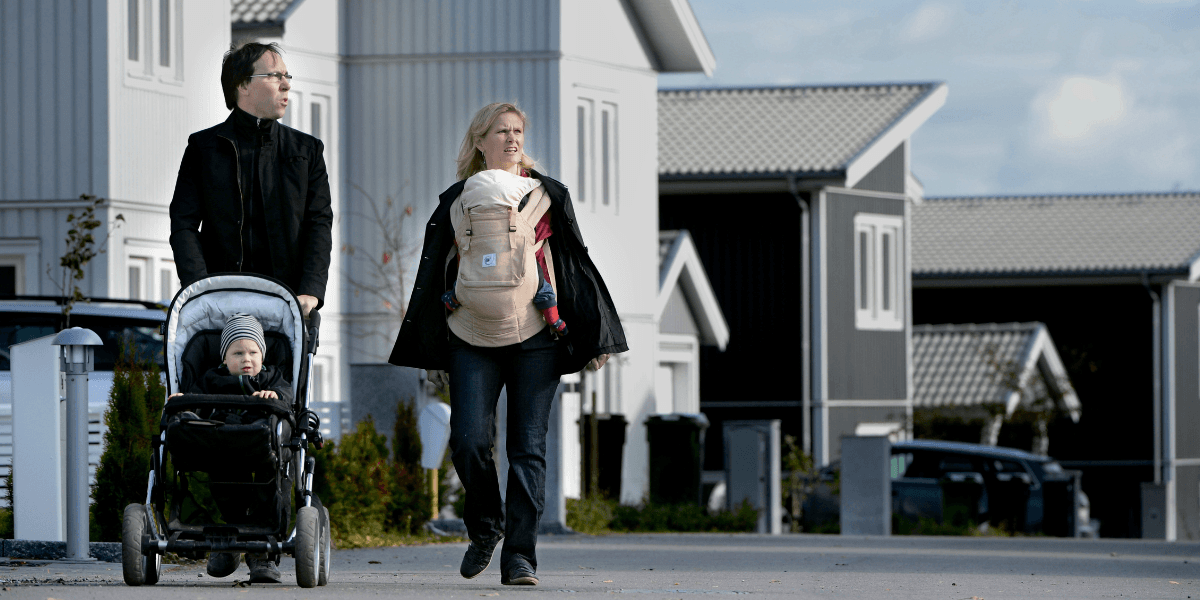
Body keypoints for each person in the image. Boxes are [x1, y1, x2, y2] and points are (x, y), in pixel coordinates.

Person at [389, 102, 627, 586]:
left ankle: (520, 556)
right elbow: (436, 271)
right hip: (469, 336)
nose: (512, 139)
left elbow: (575, 264)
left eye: (518, 131)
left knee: (527, 450)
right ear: (481, 142)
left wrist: (594, 333)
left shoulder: (546, 195)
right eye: (501, 131)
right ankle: (486, 526)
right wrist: (431, 346)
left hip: (537, 336)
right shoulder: (457, 200)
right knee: (468, 440)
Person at [169, 42, 333, 317]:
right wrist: (199, 287)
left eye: (287, 76)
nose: (286, 85)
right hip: (219, 304)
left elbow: (319, 224)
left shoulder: (307, 151)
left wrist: (310, 291)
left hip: (288, 305)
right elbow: (183, 224)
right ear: (243, 85)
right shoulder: (203, 149)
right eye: (275, 76)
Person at [169, 313, 292, 583]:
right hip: (220, 442)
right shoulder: (212, 378)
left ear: (263, 355)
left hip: (262, 443)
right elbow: (195, 401)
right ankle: (231, 538)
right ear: (224, 358)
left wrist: (275, 396)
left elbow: (287, 395)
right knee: (224, 484)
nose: (246, 359)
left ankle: (261, 553)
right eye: (237, 353)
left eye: (253, 352)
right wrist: (184, 400)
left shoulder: (271, 377)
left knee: (269, 485)